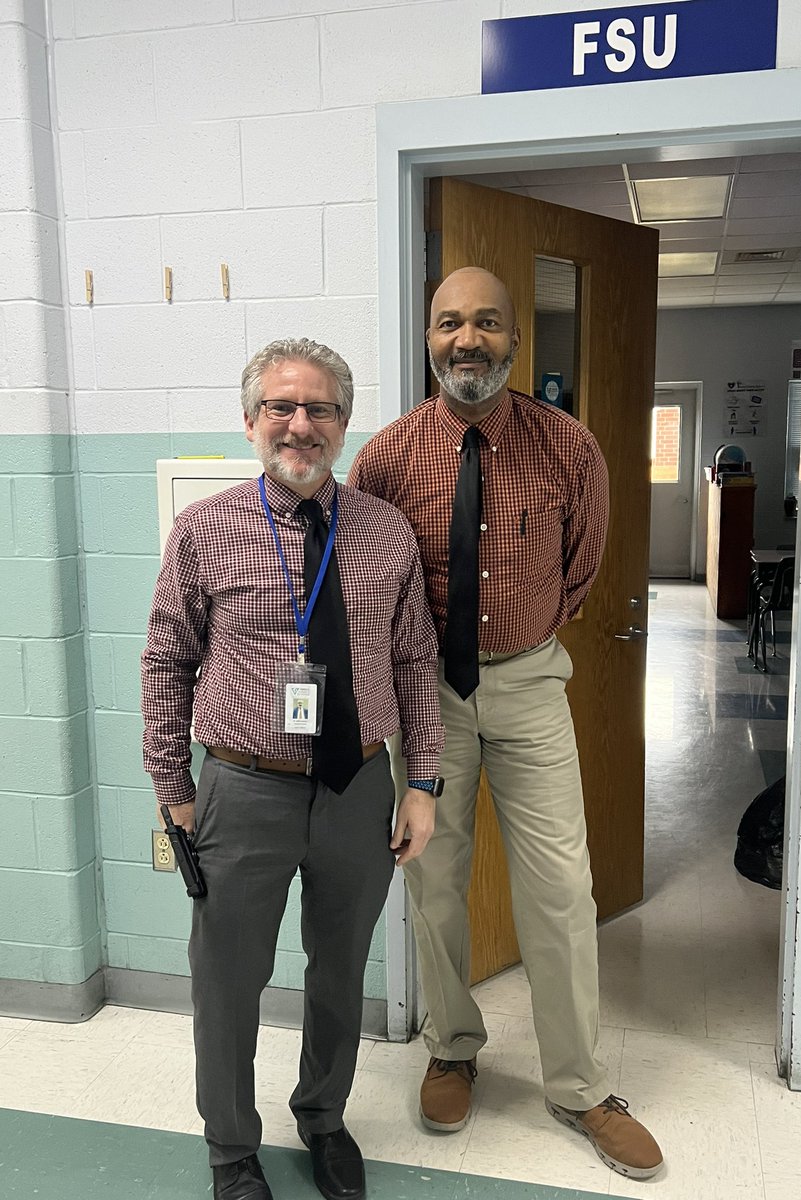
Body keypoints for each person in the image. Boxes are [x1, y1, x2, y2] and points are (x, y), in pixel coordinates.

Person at [348, 268, 663, 1180]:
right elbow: (370, 579)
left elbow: (582, 569)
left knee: (561, 888)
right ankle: (452, 1047)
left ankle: (580, 1087)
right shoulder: (386, 458)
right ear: (429, 338)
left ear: (515, 340)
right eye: (450, 322)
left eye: (487, 322)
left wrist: (517, 641)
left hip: (529, 686)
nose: (468, 339)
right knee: (435, 882)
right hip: (427, 698)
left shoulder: (569, 447)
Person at [141, 338, 444, 1200]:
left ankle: (323, 1116)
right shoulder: (206, 530)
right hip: (243, 788)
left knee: (340, 971)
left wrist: (423, 783)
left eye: (320, 409)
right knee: (228, 981)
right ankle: (231, 1150)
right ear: (251, 421)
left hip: (359, 786)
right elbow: (166, 660)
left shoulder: (385, 531)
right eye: (281, 406)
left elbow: (416, 662)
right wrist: (173, 787)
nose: (300, 424)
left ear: (344, 425)